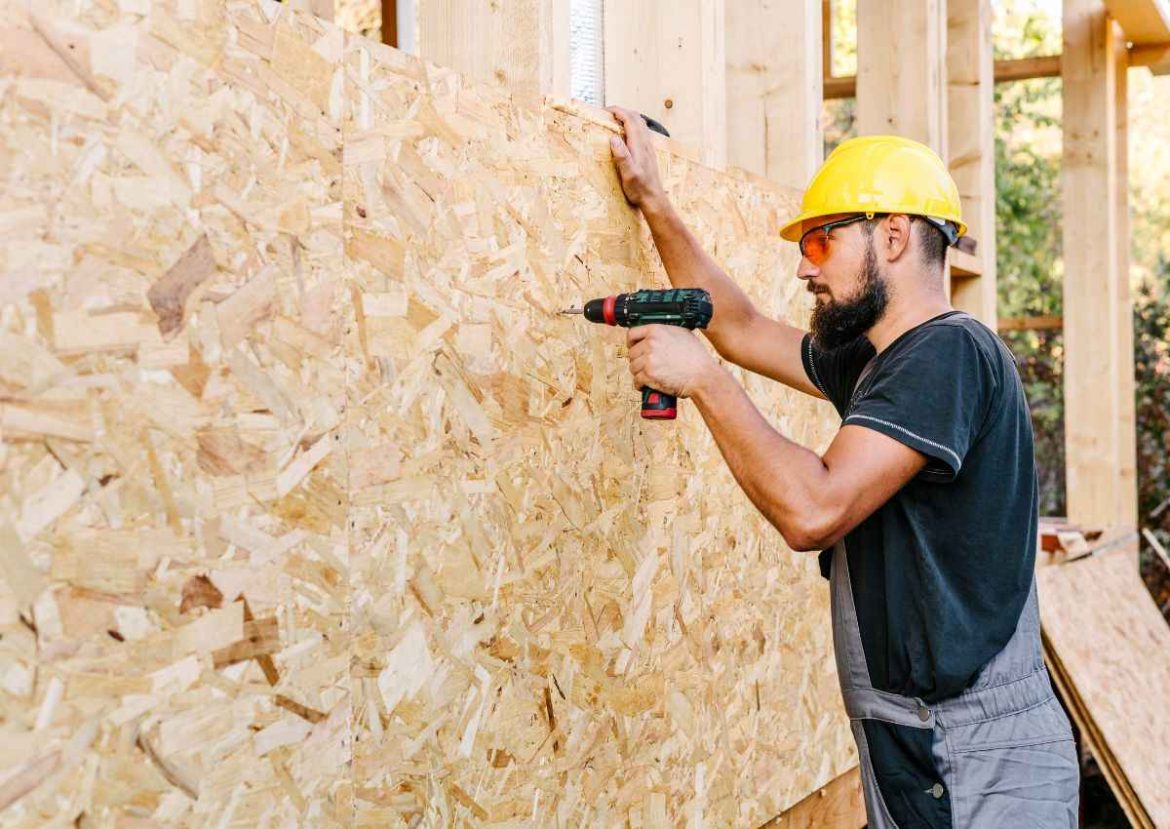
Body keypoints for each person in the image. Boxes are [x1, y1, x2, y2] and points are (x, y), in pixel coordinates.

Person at [605, 106, 1080, 828]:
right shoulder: (881, 361)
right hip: (914, 740)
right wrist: (655, 203)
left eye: (821, 242)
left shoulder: (947, 354)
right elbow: (739, 327)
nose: (804, 265)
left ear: (892, 234)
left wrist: (700, 379)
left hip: (976, 752)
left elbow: (814, 509)